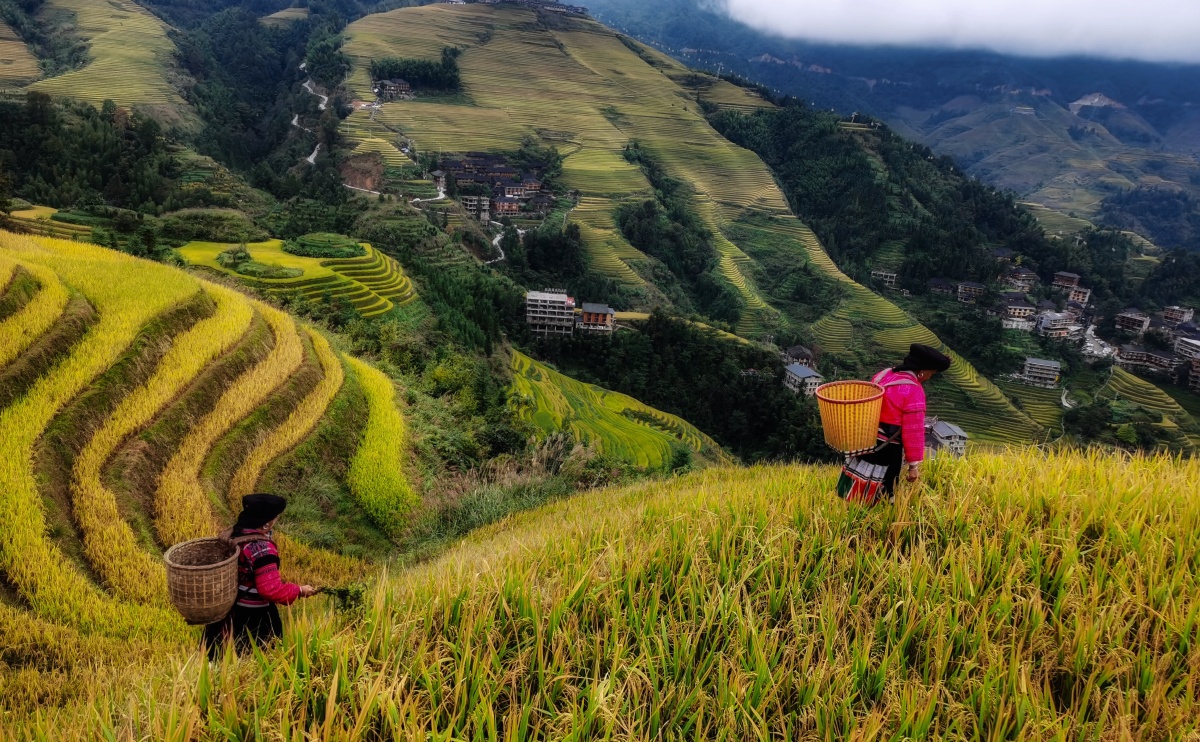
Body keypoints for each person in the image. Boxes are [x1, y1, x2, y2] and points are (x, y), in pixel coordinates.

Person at [203, 494, 317, 659]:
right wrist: (299, 590)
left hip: (229, 610)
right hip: (254, 618)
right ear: (265, 524)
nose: (275, 521)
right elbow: (271, 590)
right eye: (275, 518)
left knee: (224, 660)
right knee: (260, 660)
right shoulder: (262, 549)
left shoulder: (233, 535)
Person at [859, 343, 952, 500]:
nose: (930, 377)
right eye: (932, 373)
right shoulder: (914, 391)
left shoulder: (884, 375)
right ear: (922, 371)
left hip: (863, 441)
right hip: (887, 449)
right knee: (883, 494)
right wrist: (913, 466)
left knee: (857, 488)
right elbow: (913, 431)